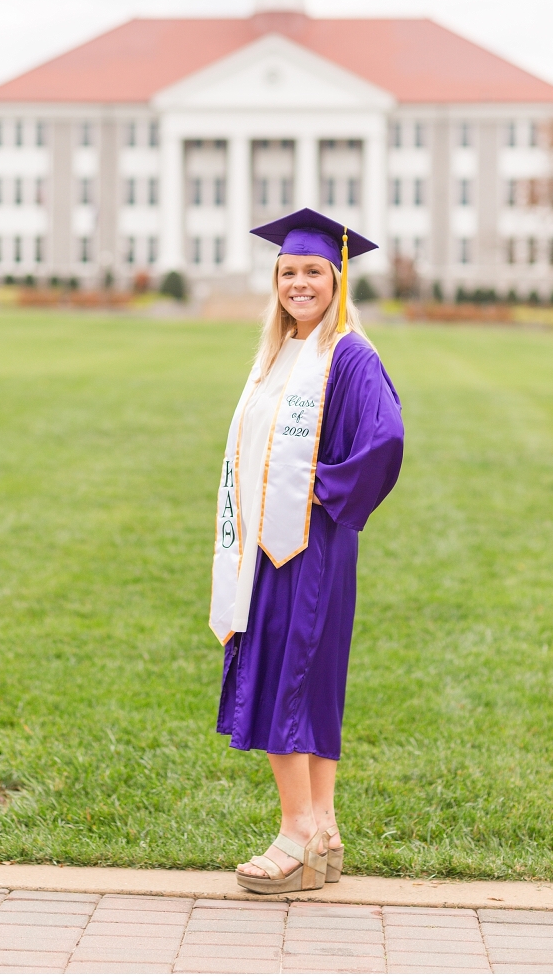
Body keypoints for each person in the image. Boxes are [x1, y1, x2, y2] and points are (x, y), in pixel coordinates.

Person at [210, 208, 404, 895]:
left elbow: (384, 438)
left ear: (337, 278)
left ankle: (293, 836)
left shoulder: (348, 354)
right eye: (288, 271)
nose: (299, 283)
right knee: (305, 679)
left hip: (308, 544)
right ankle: (322, 830)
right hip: (266, 545)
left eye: (313, 271)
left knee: (286, 677)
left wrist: (318, 487)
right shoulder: (279, 352)